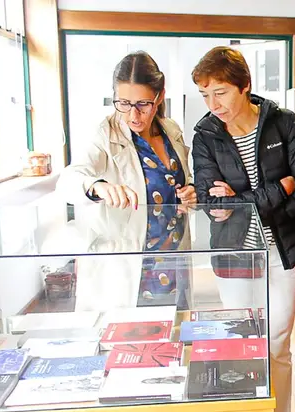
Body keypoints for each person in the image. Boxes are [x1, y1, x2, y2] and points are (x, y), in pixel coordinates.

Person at [189, 46, 295, 412]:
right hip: (233, 252)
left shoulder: (285, 124)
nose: (214, 105)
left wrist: (246, 200)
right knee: (239, 343)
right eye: (205, 95)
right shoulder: (206, 134)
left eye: (221, 93)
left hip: (285, 251)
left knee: (277, 343)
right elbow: (212, 202)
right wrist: (274, 189)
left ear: (245, 87)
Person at [56, 51, 196, 310]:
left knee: (172, 341)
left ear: (159, 97)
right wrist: (97, 186)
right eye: (123, 103)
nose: (133, 115)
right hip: (130, 267)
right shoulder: (104, 133)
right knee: (129, 344)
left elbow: (183, 180)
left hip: (173, 260)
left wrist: (191, 191)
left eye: (143, 104)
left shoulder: (171, 131)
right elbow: (69, 179)